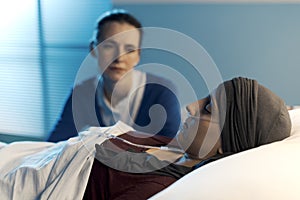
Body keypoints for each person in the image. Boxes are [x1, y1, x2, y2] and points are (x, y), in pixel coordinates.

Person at [83, 77, 291, 200]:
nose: (191, 106)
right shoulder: (172, 147)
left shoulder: (157, 188)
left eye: (208, 108)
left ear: (227, 143)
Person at [47, 9, 181, 142]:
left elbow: (171, 151)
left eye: (129, 50)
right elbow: (55, 145)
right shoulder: (81, 93)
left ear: (138, 56)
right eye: (109, 46)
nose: (119, 58)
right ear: (93, 49)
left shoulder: (162, 91)